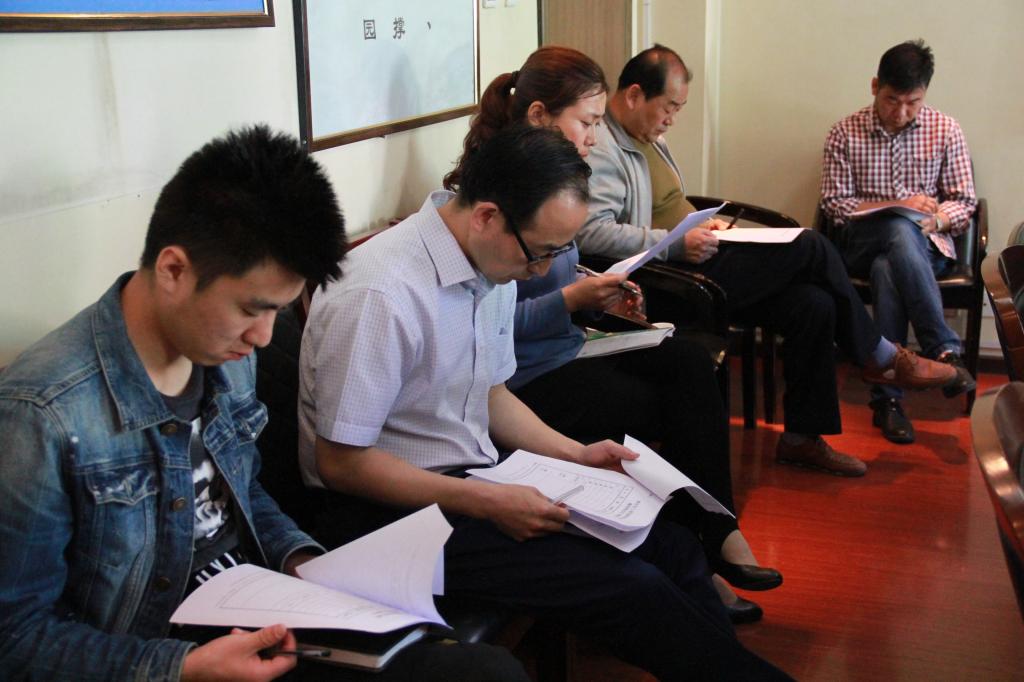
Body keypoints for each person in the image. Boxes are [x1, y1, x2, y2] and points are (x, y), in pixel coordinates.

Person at [0, 126, 527, 682]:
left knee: (482, 670)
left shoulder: (224, 355)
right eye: (253, 309)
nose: (264, 337)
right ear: (174, 270)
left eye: (279, 309)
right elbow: (14, 638)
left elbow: (241, 492)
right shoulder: (43, 415)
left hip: (259, 609)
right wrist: (182, 667)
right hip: (157, 656)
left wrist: (301, 561)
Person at [299, 124, 791, 680]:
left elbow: (491, 394)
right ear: (487, 216)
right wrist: (486, 501)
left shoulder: (489, 264)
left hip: (469, 482)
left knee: (674, 545)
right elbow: (340, 463)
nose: (542, 270)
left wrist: (576, 455)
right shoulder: (380, 293)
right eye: (541, 252)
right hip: (386, 517)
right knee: (633, 588)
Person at [444, 45, 781, 624]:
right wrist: (571, 300)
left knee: (687, 363)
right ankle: (694, 563)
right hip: (524, 376)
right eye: (587, 122)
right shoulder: (499, 196)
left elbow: (552, 267)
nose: (594, 138)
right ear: (539, 116)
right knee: (652, 406)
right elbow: (492, 325)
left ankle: (716, 530)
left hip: (566, 347)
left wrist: (591, 284)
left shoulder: (553, 179)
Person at [578, 44, 963, 477]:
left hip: (694, 257)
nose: (672, 119)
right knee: (812, 246)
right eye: (669, 107)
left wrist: (704, 225)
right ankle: (880, 355)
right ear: (634, 95)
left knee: (814, 304)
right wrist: (674, 243)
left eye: (678, 109)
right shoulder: (603, 146)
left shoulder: (649, 136)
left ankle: (802, 439)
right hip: (666, 278)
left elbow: (667, 205)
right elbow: (592, 233)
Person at [820, 39, 978, 444]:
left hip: (925, 248)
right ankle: (943, 350)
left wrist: (936, 219)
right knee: (895, 228)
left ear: (925, 94)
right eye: (892, 100)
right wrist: (898, 206)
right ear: (875, 86)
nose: (902, 112)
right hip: (859, 243)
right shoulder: (844, 132)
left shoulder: (945, 129)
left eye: (913, 102)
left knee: (889, 263)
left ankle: (888, 400)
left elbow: (964, 202)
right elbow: (835, 206)